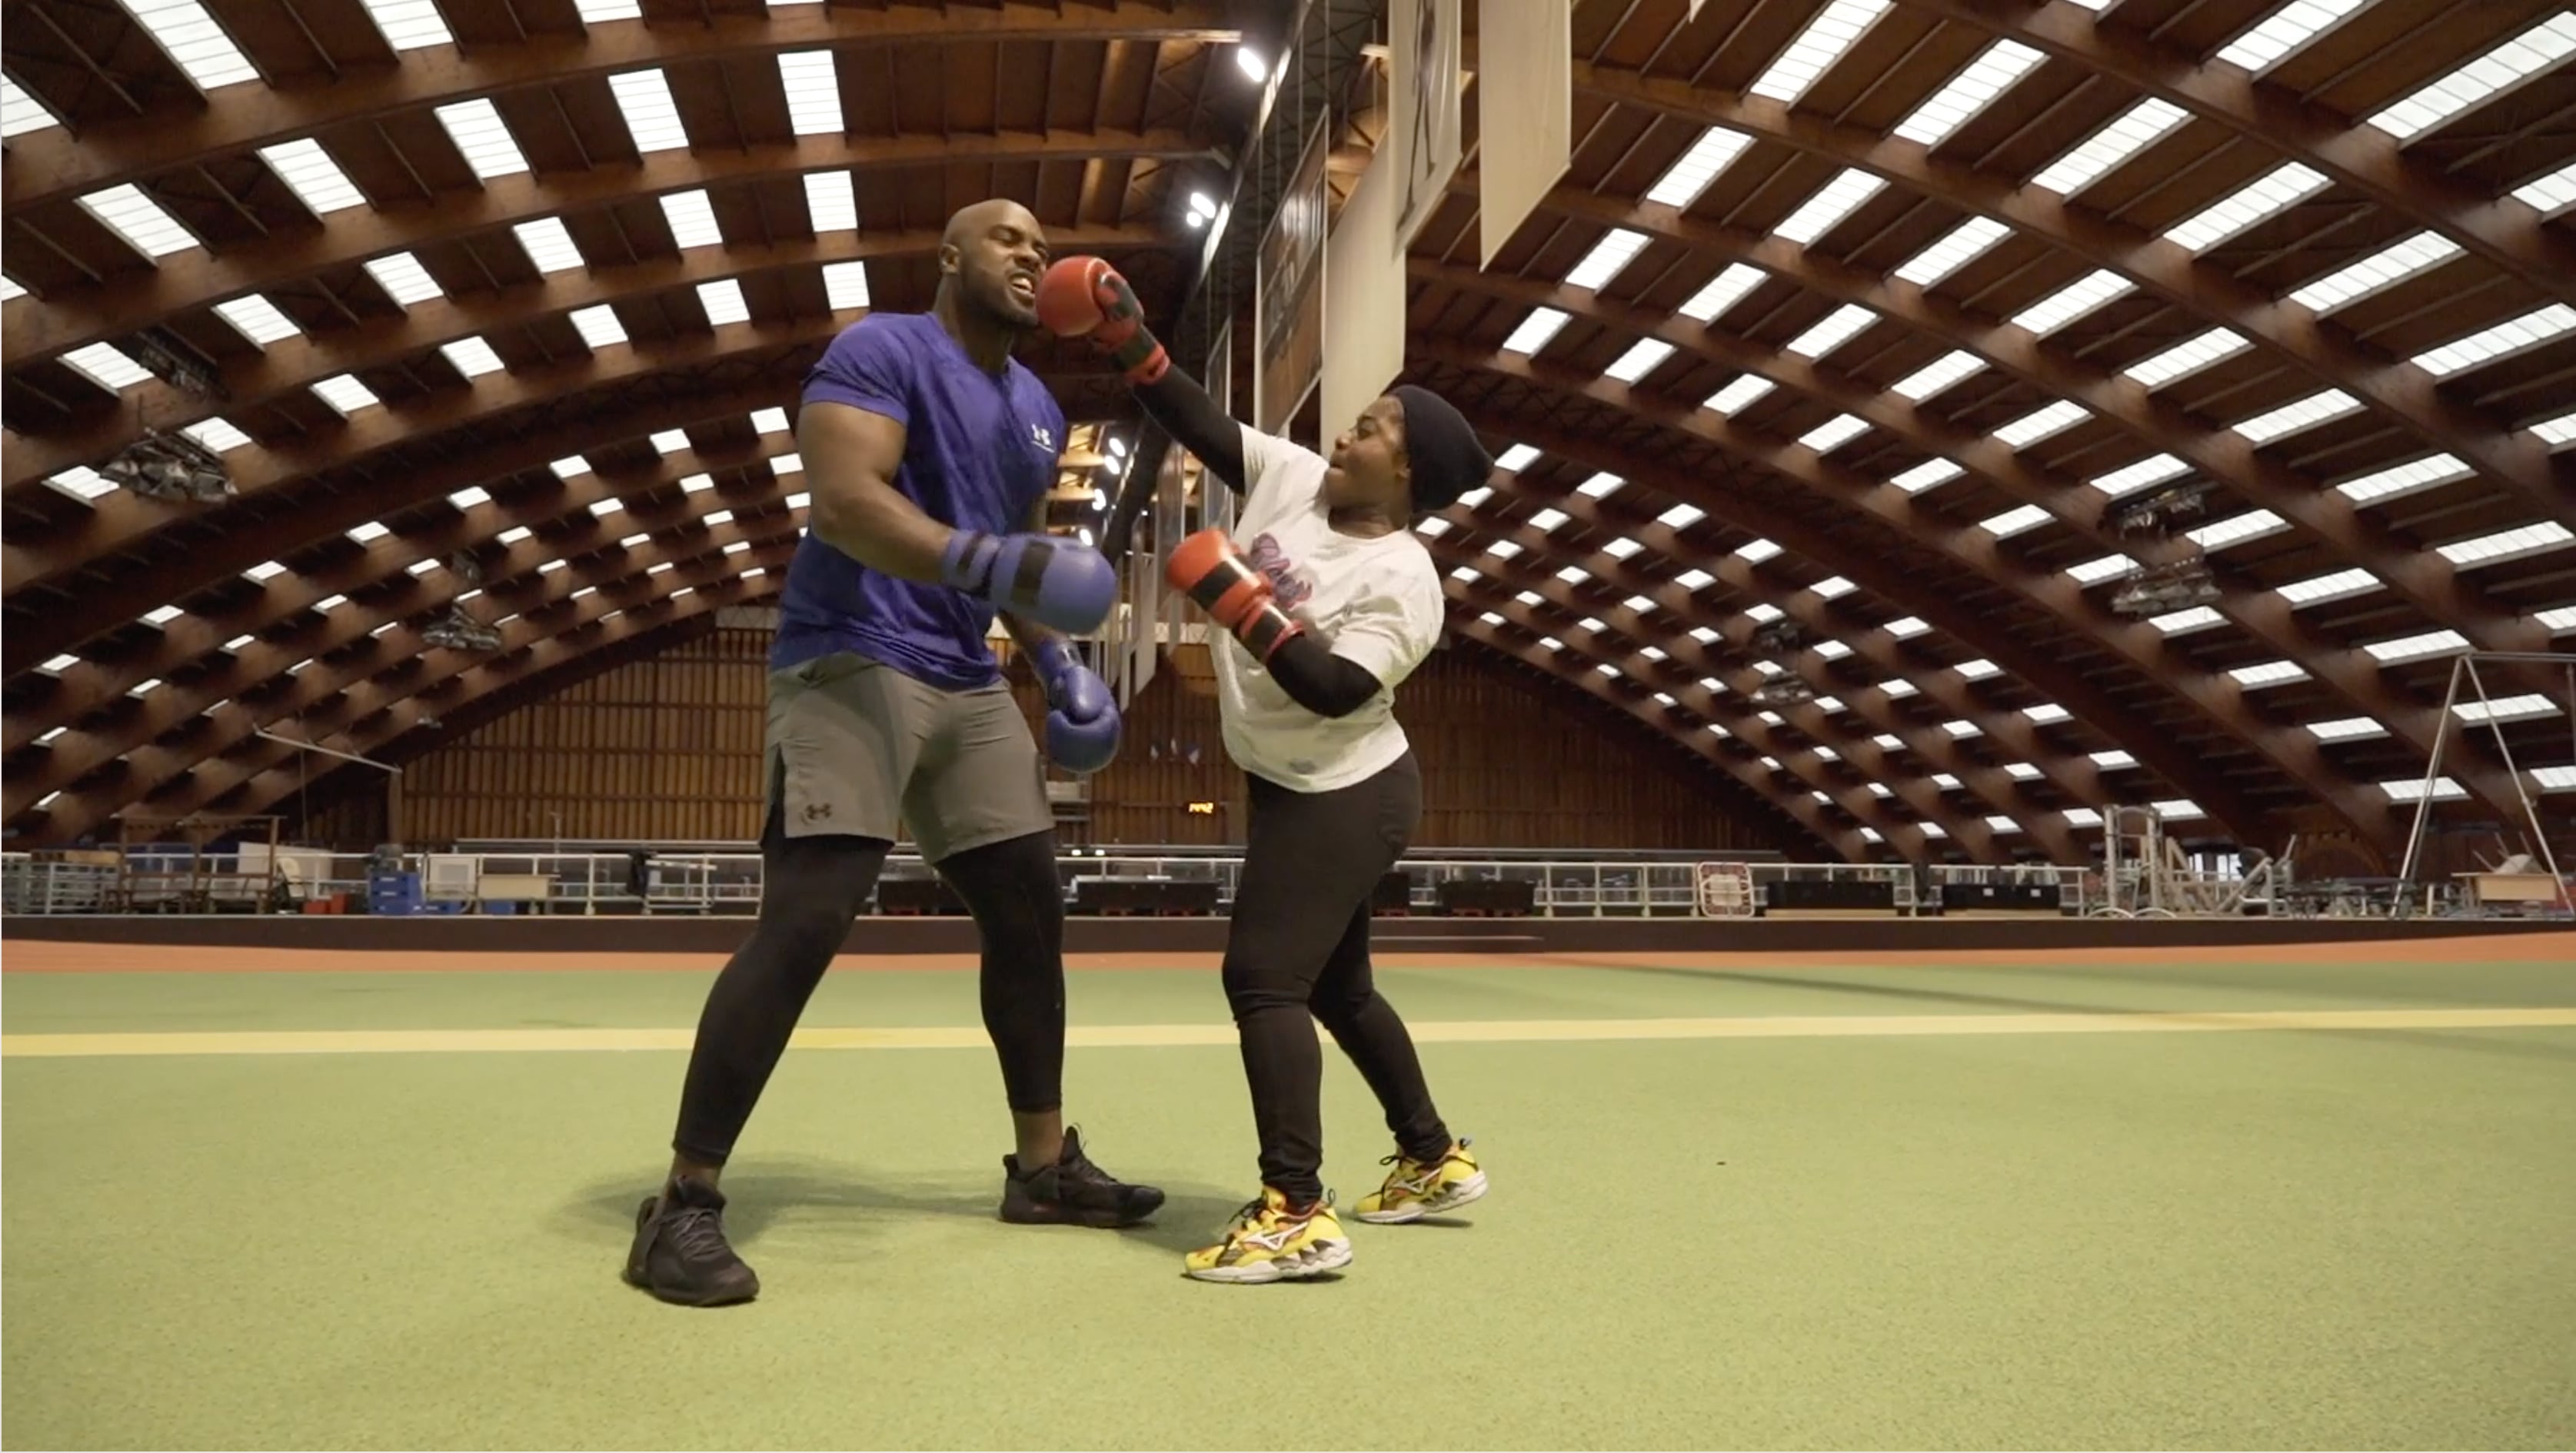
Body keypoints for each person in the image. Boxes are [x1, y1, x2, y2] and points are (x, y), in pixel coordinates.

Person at [624, 201, 1165, 1308]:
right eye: (1008, 238)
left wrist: (1059, 666)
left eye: (1042, 245)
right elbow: (849, 502)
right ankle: (680, 1200)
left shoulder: (1036, 407)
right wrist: (992, 565)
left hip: (965, 676)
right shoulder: (882, 348)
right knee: (811, 914)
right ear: (949, 252)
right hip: (852, 652)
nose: (1032, 254)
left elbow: (1013, 569)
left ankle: (1042, 1166)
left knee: (1028, 909)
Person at [1037, 254, 1493, 1284]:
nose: (1346, 432)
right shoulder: (1291, 479)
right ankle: (1431, 1155)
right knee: (1337, 987)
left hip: (1346, 790)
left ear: (1408, 470)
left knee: (1261, 979)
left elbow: (1338, 688)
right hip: (1291, 779)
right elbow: (1197, 420)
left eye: (1373, 428)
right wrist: (1127, 338)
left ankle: (1295, 1209)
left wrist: (1239, 599)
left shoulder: (1403, 579)